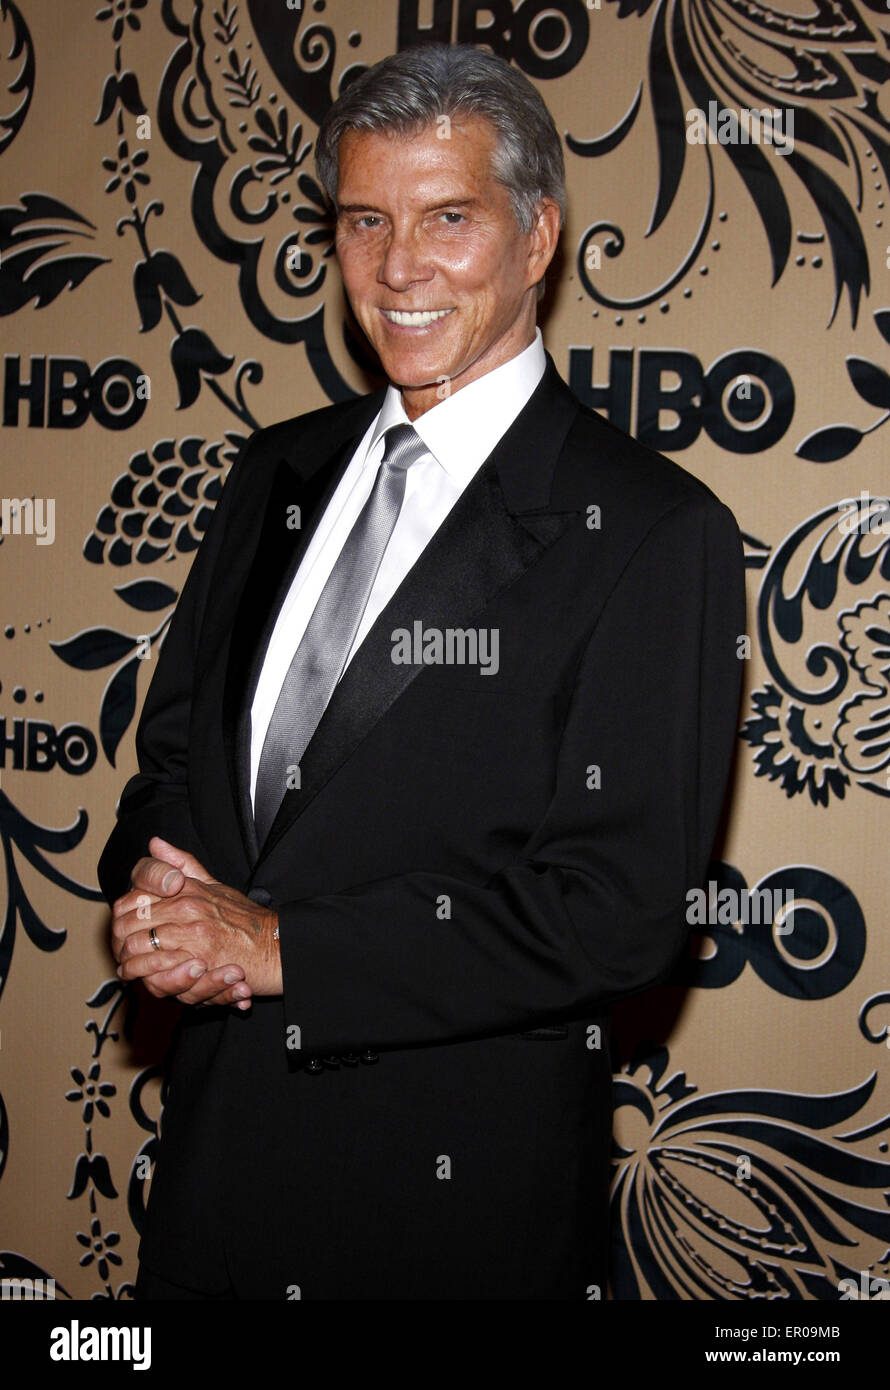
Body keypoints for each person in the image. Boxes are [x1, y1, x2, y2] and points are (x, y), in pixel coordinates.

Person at [98, 43, 745, 1300]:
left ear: (536, 234)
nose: (398, 268)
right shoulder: (271, 472)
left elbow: (617, 908)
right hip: (215, 1189)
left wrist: (286, 948)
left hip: (451, 1225)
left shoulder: (653, 528)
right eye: (364, 221)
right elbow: (174, 760)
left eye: (448, 217)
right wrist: (161, 894)